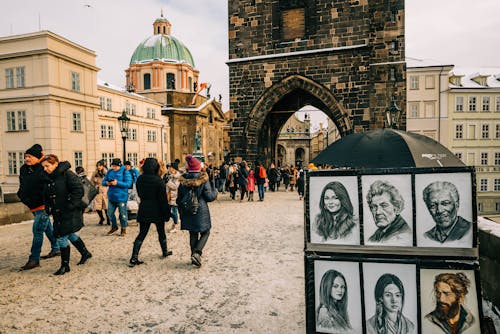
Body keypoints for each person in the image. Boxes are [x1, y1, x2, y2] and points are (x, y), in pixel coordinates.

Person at [40, 154, 92, 275]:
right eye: (43, 166)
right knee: (69, 234)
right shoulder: (48, 176)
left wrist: (70, 205)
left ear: (55, 164)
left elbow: (78, 190)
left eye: (47, 166)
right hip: (57, 211)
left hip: (69, 211)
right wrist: (47, 207)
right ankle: (85, 253)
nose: (45, 169)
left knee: (61, 236)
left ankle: (65, 265)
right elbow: (46, 194)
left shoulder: (67, 174)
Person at [17, 144, 60, 270]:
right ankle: (56, 248)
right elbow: (23, 185)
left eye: (29, 156)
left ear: (37, 157)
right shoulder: (24, 169)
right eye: (25, 157)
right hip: (32, 204)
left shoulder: (43, 168)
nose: (26, 159)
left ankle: (34, 258)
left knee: (37, 230)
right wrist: (21, 195)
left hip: (43, 204)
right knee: (47, 228)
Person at [129, 158, 172, 267]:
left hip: (144, 208)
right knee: (161, 232)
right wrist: (167, 213)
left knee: (142, 234)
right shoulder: (159, 181)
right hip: (157, 210)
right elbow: (163, 200)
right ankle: (164, 251)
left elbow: (139, 194)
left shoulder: (140, 179)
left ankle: (134, 256)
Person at [177, 154, 218, 267]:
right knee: (206, 231)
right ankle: (197, 253)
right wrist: (215, 192)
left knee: (193, 232)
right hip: (200, 210)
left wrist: (181, 210)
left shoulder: (183, 180)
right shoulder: (203, 179)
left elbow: (179, 198)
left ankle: (193, 256)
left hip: (187, 209)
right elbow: (209, 197)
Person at [102, 158, 132, 236]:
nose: (114, 168)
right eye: (113, 166)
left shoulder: (125, 171)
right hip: (112, 196)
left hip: (121, 197)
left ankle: (123, 228)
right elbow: (103, 182)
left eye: (115, 166)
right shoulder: (109, 171)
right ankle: (114, 226)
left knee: (122, 214)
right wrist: (107, 183)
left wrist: (117, 183)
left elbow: (128, 184)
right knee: (110, 213)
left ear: (119, 165)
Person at [91, 160, 110, 225]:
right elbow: (92, 181)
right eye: (98, 166)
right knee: (97, 206)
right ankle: (101, 218)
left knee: (106, 206)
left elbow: (109, 180)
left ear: (103, 166)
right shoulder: (95, 173)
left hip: (105, 190)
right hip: (98, 190)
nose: (99, 167)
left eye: (100, 165)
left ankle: (108, 219)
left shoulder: (107, 172)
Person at [166, 162, 181, 232]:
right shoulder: (171, 176)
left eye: (171, 167)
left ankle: (175, 225)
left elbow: (175, 186)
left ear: (174, 169)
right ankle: (176, 220)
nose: (169, 169)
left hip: (175, 197)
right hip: (170, 196)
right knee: (168, 212)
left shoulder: (178, 176)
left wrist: (167, 182)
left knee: (174, 211)